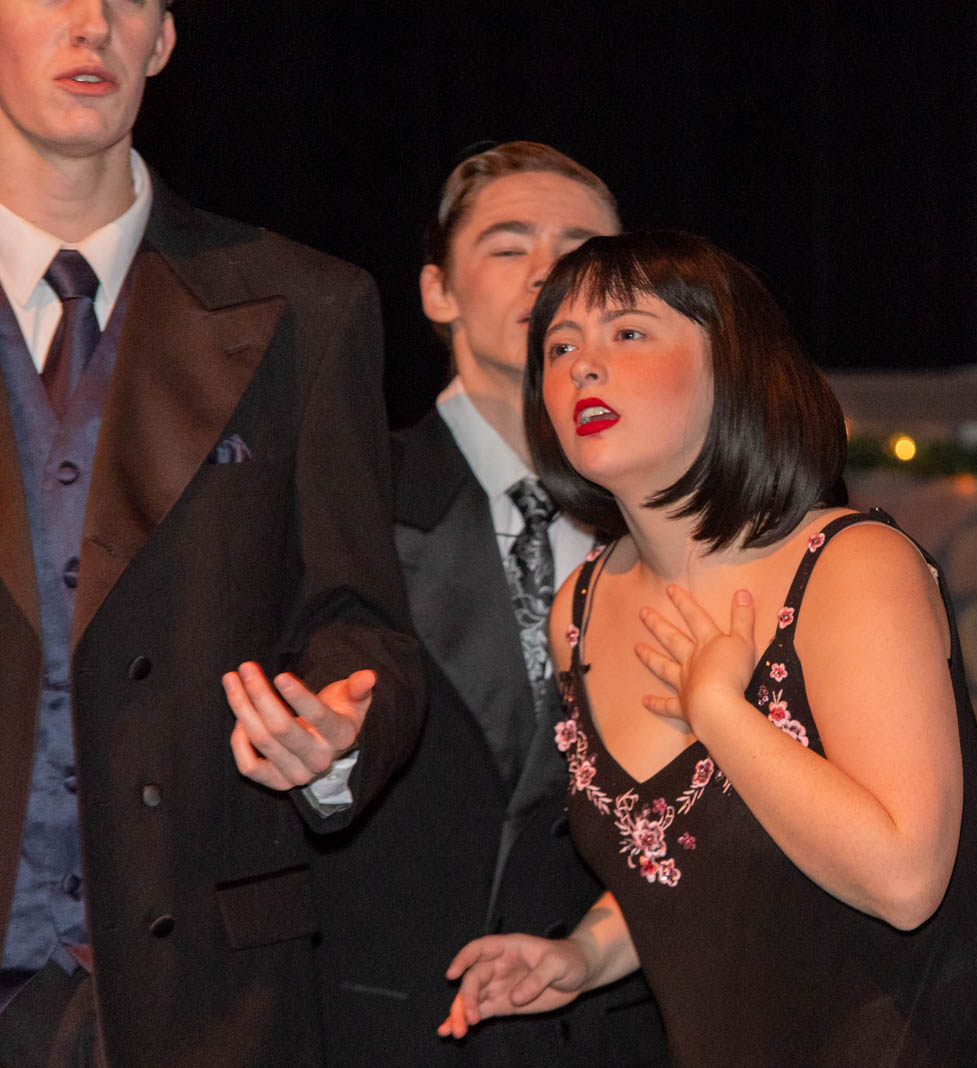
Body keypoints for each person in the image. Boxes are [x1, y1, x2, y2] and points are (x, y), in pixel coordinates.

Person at [438, 231, 977, 1066]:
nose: (583, 367)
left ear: (732, 365)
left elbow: (904, 879)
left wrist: (717, 709)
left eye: (628, 332)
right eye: (560, 347)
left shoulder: (850, 564)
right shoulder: (581, 607)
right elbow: (690, 848)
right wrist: (585, 955)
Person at [0, 1, 425, 1064]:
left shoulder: (304, 305)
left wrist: (334, 729)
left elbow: (358, 620)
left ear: (163, 40)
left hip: (202, 993)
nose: (91, 23)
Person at [312, 141, 667, 1067]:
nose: (548, 272)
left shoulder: (674, 519)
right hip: (390, 1026)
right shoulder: (346, 496)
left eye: (580, 249)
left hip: (621, 1030)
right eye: (510, 246)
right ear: (437, 290)